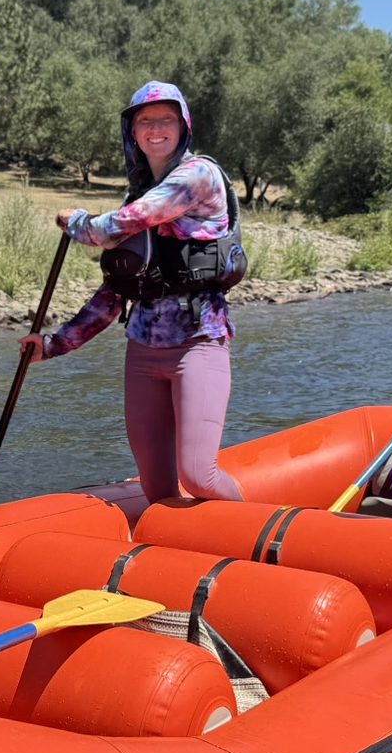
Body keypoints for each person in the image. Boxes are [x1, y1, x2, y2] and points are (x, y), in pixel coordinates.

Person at [21, 80, 244, 504]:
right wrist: (51, 345)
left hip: (198, 343)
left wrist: (77, 222)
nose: (155, 128)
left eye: (166, 119)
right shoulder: (137, 195)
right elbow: (114, 294)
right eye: (145, 121)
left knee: (198, 476)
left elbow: (117, 226)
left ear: (183, 126)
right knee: (157, 489)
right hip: (142, 349)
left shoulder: (198, 175)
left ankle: (258, 543)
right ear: (132, 132)